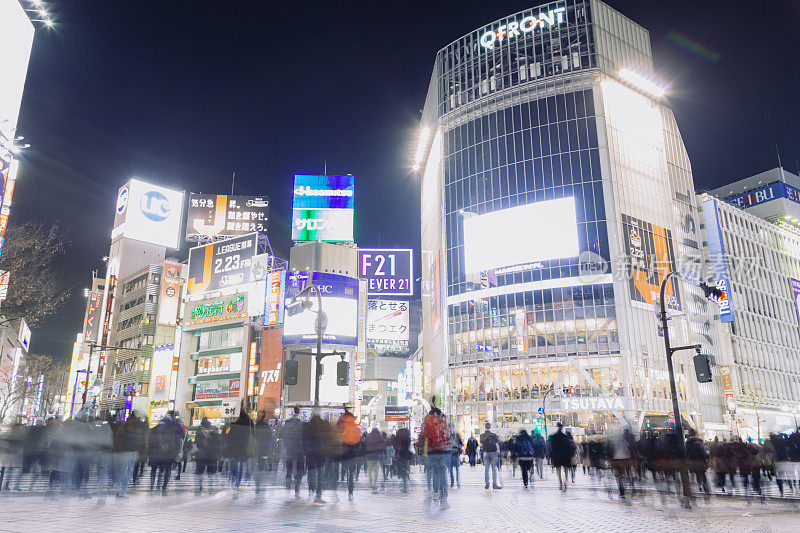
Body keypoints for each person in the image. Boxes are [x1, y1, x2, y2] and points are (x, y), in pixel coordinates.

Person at [420, 404, 450, 509]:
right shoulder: (443, 420)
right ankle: (443, 501)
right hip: (442, 452)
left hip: (430, 452)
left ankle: (433, 494)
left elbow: (423, 435)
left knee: (433, 474)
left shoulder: (426, 420)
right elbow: (448, 435)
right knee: (443, 475)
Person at [148, 411, 184, 495]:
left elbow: (151, 440)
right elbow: (181, 438)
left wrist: (150, 451)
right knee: (167, 470)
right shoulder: (176, 425)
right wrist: (178, 451)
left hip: (156, 452)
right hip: (169, 451)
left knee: (154, 470)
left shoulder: (158, 425)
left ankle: (152, 486)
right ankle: (163, 487)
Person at [113, 411, 147, 498]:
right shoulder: (140, 425)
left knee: (122, 470)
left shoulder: (125, 424)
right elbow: (143, 439)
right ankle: (123, 490)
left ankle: (121, 488)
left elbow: (118, 436)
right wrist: (143, 451)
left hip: (124, 450)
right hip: (133, 451)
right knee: (129, 471)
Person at [226, 410, 254, 498]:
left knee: (234, 464)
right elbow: (253, 434)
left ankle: (233, 478)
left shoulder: (235, 425)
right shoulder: (249, 424)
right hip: (243, 448)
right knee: (241, 465)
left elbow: (229, 437)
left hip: (234, 449)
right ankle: (237, 483)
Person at [336, 410, 362, 501]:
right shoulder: (355, 428)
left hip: (342, 453)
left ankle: (334, 492)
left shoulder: (341, 426)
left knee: (338, 470)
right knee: (351, 474)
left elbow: (337, 439)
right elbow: (359, 443)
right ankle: (350, 492)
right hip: (352, 454)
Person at [282, 406, 305, 497]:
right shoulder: (302, 424)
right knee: (300, 466)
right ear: (299, 412)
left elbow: (283, 435)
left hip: (290, 448)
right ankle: (297, 483)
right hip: (299, 449)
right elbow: (304, 437)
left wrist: (287, 445)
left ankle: (288, 476)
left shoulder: (287, 423)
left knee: (289, 463)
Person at [194, 417, 221, 493]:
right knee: (204, 470)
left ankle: (204, 485)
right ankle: (202, 485)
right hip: (205, 453)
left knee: (205, 470)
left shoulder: (204, 432)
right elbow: (201, 443)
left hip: (207, 454)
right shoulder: (202, 432)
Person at [548, 422, 574, 491]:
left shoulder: (553, 437)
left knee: (558, 471)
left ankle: (560, 483)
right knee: (566, 470)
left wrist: (551, 456)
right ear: (562, 427)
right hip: (565, 456)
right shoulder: (566, 437)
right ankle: (565, 483)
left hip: (557, 456)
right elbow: (570, 447)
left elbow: (551, 448)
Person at [253, 411, 273, 502]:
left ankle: (257, 484)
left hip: (256, 450)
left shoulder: (256, 426)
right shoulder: (267, 427)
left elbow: (253, 436)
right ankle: (261, 484)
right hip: (264, 450)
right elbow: (270, 437)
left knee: (257, 467)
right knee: (262, 467)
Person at [480, 422, 501, 489]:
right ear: (490, 427)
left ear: (485, 427)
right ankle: (494, 484)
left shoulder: (482, 435)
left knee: (486, 469)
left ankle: (487, 484)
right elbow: (497, 442)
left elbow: (481, 442)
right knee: (494, 468)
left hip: (486, 452)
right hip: (493, 452)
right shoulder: (493, 435)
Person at [393, 426, 413, 493]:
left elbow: (396, 447)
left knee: (401, 468)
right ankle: (406, 480)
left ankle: (405, 481)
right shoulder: (407, 438)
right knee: (406, 467)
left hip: (400, 455)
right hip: (406, 454)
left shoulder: (398, 439)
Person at [365, 428, 385, 492]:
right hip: (377, 456)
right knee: (376, 471)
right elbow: (382, 447)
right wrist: (382, 455)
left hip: (369, 456)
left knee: (370, 470)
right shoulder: (380, 437)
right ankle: (375, 483)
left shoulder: (369, 437)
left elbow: (365, 446)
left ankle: (371, 483)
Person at [448, 423, 463, 488]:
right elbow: (461, 443)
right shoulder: (457, 434)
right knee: (457, 468)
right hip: (456, 453)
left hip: (449, 453)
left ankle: (452, 482)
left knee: (450, 469)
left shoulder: (447, 435)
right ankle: (458, 482)